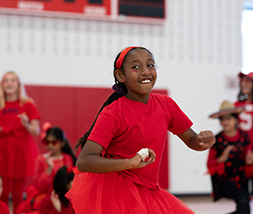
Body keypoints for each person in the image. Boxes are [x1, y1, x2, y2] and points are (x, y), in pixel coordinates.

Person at [66, 46, 215, 214]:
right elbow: (85, 161)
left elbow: (192, 140)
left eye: (150, 65)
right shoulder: (113, 113)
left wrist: (203, 141)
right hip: (115, 192)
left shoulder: (166, 105)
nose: (145, 71)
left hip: (148, 189)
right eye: (136, 67)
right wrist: (130, 163)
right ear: (120, 76)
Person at [0, 71, 41, 213]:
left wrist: (26, 124)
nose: (9, 83)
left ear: (18, 85)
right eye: (6, 80)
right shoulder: (0, 104)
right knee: (3, 191)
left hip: (21, 150)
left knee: (18, 192)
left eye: (13, 80)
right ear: (2, 85)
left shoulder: (28, 104)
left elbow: (36, 131)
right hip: (3, 149)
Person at [16, 124, 76, 214]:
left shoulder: (67, 158)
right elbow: (39, 186)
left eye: (54, 142)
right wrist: (49, 169)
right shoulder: (41, 159)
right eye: (48, 142)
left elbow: (68, 180)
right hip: (46, 196)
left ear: (62, 143)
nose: (50, 145)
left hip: (64, 196)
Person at [207, 100, 253, 214]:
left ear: (236, 119)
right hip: (224, 181)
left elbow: (248, 159)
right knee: (243, 201)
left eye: (228, 118)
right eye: (222, 119)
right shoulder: (216, 140)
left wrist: (249, 162)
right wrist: (221, 159)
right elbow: (209, 164)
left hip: (241, 180)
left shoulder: (244, 137)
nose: (225, 122)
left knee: (245, 206)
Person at [234, 71, 253, 194]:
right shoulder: (235, 106)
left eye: (248, 81)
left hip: (251, 151)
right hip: (240, 154)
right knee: (242, 196)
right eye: (242, 81)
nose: (244, 84)